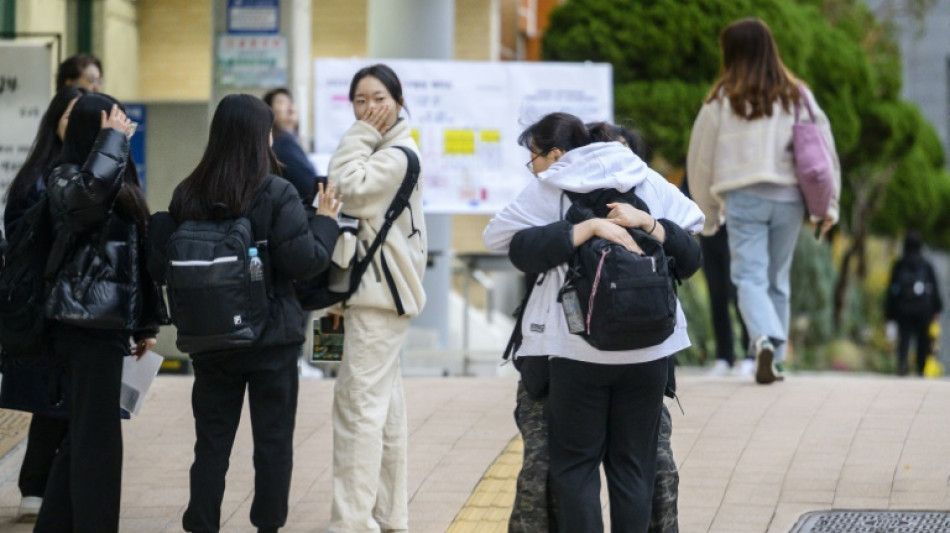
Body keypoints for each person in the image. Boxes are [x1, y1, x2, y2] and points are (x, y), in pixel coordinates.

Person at [484, 112, 704, 532]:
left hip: (577, 349)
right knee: (635, 470)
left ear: (570, 150)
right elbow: (695, 235)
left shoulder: (556, 182)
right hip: (651, 350)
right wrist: (650, 223)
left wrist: (580, 229)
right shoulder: (646, 179)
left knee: (576, 468)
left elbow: (498, 238)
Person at [149, 94, 340, 533]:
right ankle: (268, 524)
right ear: (260, 136)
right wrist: (326, 220)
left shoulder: (189, 192)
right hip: (271, 339)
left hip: (210, 338)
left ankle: (201, 522)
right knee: (272, 441)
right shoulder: (276, 191)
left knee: (211, 441)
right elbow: (305, 261)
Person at [687, 18, 841, 384]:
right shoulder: (797, 94)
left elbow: (700, 160)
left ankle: (764, 340)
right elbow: (824, 151)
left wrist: (706, 215)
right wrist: (828, 204)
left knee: (749, 277)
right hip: (789, 197)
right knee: (777, 278)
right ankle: (778, 355)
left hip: (743, 198)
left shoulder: (721, 99)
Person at [34, 93, 162, 532]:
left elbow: (136, 257)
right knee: (98, 440)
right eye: (114, 122)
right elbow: (86, 201)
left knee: (86, 436)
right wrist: (112, 142)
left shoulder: (118, 180)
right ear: (96, 129)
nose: (124, 129)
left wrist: (144, 321)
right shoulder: (66, 177)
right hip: (80, 324)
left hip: (106, 325)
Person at [327, 63, 427, 533]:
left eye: (379, 99)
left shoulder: (397, 156)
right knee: (383, 412)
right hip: (378, 295)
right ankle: (389, 517)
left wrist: (356, 134)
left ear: (398, 101)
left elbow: (347, 189)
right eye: (360, 102)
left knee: (357, 411)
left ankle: (350, 522)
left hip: (375, 297)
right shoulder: (385, 151)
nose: (369, 110)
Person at [0, 86, 84, 523]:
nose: (78, 124)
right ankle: (37, 485)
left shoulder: (99, 172)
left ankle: (40, 484)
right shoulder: (35, 180)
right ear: (54, 121)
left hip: (78, 305)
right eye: (71, 116)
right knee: (55, 396)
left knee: (66, 399)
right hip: (44, 306)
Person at [679, 175, 751, 376]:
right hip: (710, 230)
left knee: (739, 293)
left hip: (738, 229)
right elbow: (688, 187)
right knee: (717, 293)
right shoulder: (701, 155)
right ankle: (724, 356)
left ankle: (751, 354)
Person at [885, 231, 943, 376]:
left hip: (903, 309)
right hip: (924, 309)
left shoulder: (899, 265)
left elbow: (892, 291)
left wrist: (889, 315)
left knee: (904, 338)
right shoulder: (926, 265)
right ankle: (920, 368)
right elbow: (934, 288)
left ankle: (902, 363)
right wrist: (937, 309)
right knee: (923, 340)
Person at [263, 87, 324, 202]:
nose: (289, 105)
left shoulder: (288, 139)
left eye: (290, 101)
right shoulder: (283, 142)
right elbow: (308, 183)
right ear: (269, 111)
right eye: (281, 102)